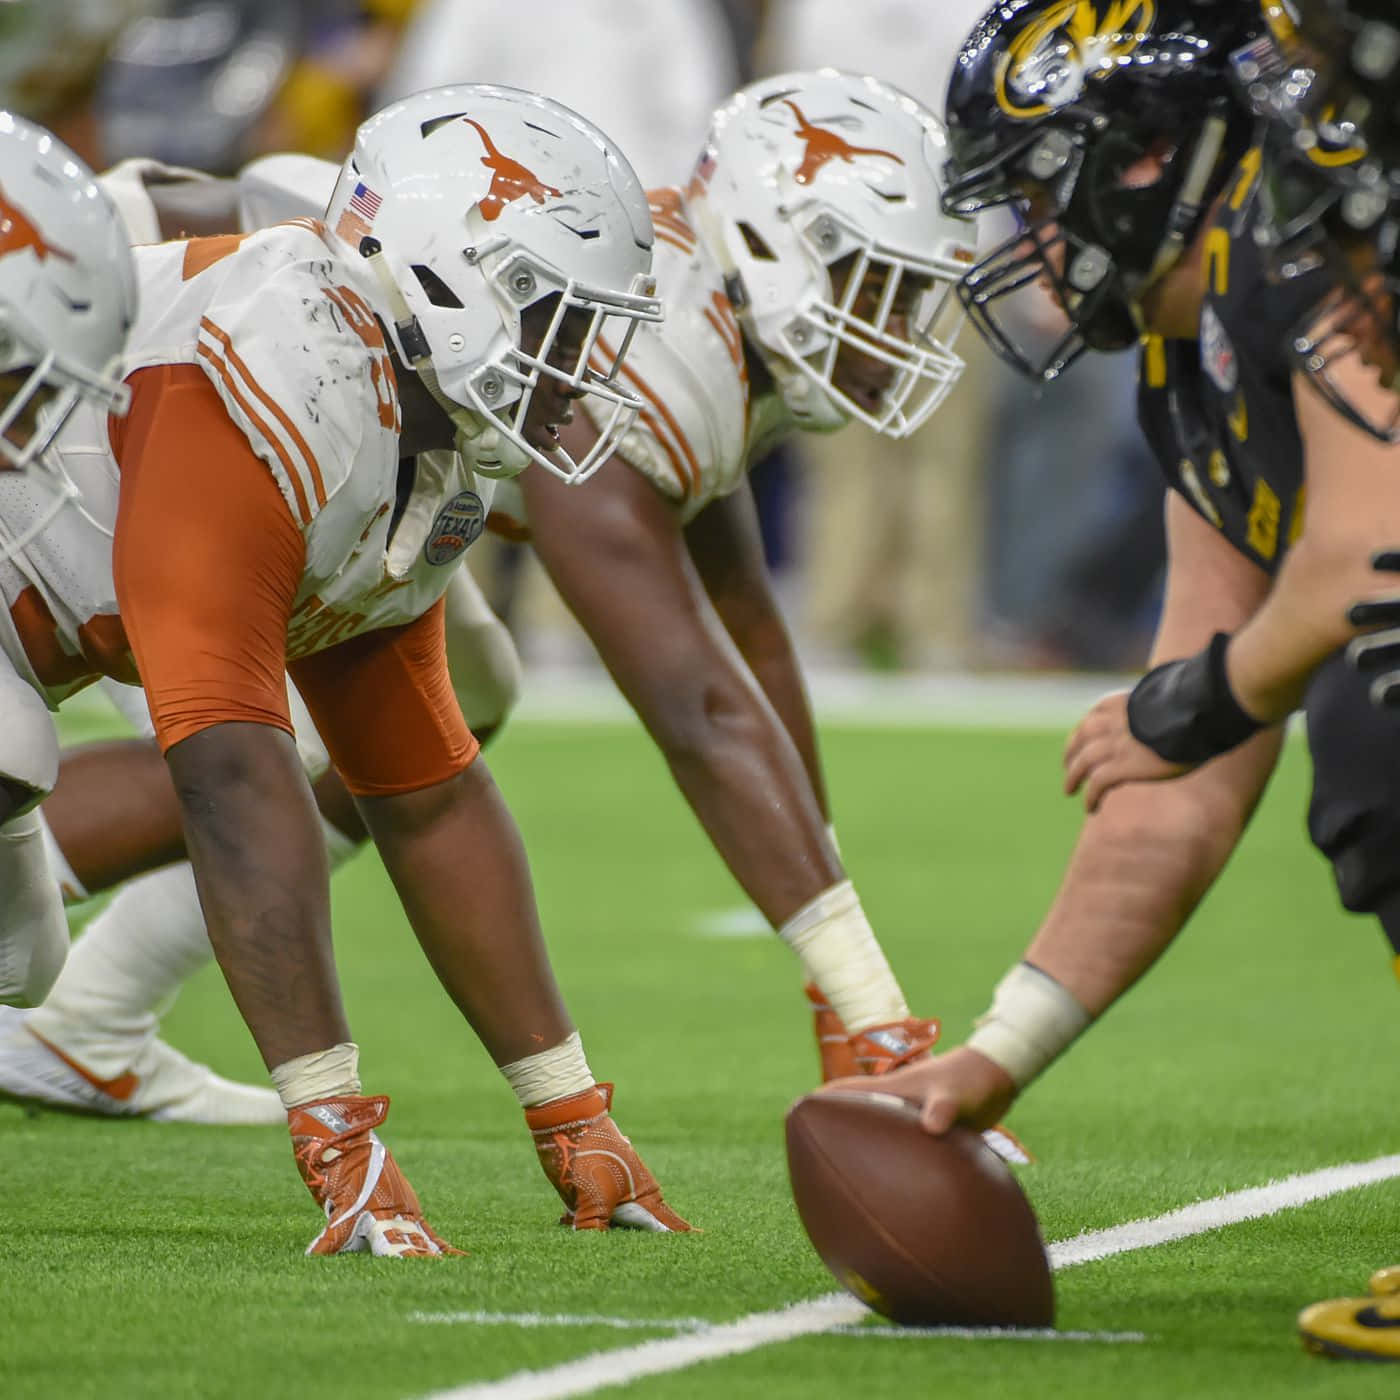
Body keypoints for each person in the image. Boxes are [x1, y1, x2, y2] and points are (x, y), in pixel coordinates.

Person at [0, 73, 1032, 1167]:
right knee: (260, 742)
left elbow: (742, 649)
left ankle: (88, 1015)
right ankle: (82, 994)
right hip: (128, 365)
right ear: (781, 244)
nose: (893, 327)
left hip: (326, 392)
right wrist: (866, 1008)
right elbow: (695, 702)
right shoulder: (620, 336)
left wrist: (842, 987)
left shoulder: (669, 323)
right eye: (872, 283)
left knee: (443, 706)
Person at [0, 82, 692, 1253]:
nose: (578, 371)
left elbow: (424, 789)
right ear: (455, 280)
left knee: (21, 952)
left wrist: (569, 1107)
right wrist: (336, 1134)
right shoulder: (267, 366)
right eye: (560, 323)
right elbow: (228, 769)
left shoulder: (416, 420)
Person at [816, 0, 1400, 1315]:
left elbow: (1367, 561)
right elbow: (1183, 771)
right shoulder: (1197, 352)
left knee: (1381, 707)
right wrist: (1000, 1056)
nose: (1031, 233)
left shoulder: (1311, 235)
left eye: (1040, 186)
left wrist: (1194, 700)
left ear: (1148, 158)